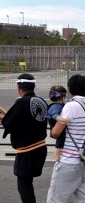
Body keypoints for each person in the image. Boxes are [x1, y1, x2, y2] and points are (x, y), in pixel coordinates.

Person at [0, 73, 48, 203]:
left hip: (27, 151)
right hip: (41, 147)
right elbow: (26, 121)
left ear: (19, 87)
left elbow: (8, 123)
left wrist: (4, 119)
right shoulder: (42, 102)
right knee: (27, 184)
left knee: (24, 186)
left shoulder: (21, 102)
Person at [47, 74, 85, 203]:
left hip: (69, 161)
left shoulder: (70, 106)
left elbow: (56, 133)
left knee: (55, 199)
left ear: (70, 90)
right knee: (84, 198)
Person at [46, 85, 70, 162]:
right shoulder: (56, 106)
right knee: (61, 137)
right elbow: (54, 115)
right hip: (55, 123)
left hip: (55, 124)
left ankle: (58, 151)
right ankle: (57, 152)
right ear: (62, 97)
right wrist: (63, 120)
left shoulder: (56, 105)